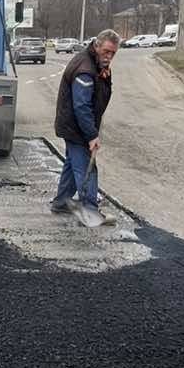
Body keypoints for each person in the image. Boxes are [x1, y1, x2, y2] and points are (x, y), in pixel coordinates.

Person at [50, 30, 120, 225]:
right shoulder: (85, 70)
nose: (109, 56)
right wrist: (91, 135)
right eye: (106, 51)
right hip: (77, 127)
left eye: (113, 53)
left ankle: (61, 203)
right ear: (96, 46)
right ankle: (90, 212)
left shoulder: (96, 65)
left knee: (72, 165)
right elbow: (81, 106)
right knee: (87, 167)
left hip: (74, 125)